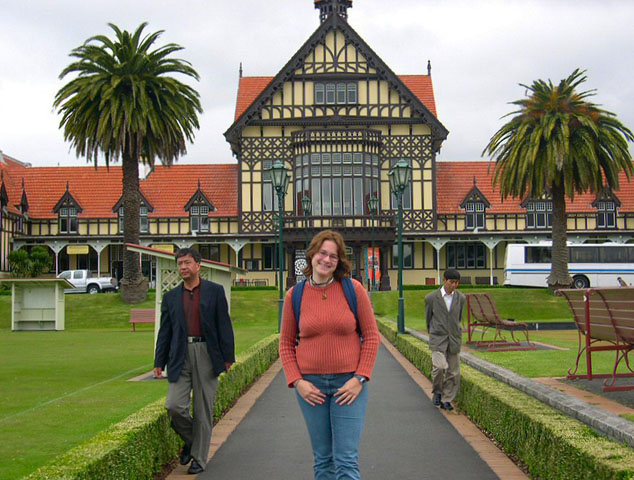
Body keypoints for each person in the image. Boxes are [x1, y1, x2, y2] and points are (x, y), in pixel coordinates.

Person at [279, 230, 380, 480]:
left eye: (333, 256)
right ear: (312, 255)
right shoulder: (295, 295)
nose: (326, 260)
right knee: (323, 460)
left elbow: (372, 337)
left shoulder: (353, 289)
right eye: (322, 253)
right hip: (311, 389)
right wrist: (298, 382)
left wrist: (360, 378)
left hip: (348, 385)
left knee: (346, 460)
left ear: (339, 261)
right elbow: (285, 344)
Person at [153, 248, 235, 475]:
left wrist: (228, 357)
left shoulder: (214, 292)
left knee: (203, 409)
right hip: (179, 356)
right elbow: (165, 332)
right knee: (174, 406)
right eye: (179, 264)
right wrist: (159, 361)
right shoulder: (171, 298)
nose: (182, 268)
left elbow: (224, 326)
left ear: (198, 265)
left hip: (207, 354)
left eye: (187, 263)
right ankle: (191, 442)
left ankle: (199, 458)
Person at [425, 268, 466, 412]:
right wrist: (434, 333)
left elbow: (458, 318)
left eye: (456, 283)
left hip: (454, 339)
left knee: (454, 373)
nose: (454, 285)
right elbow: (428, 318)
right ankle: (437, 391)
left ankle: (447, 399)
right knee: (440, 367)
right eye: (451, 282)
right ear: (444, 280)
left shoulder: (461, 298)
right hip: (438, 338)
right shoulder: (431, 298)